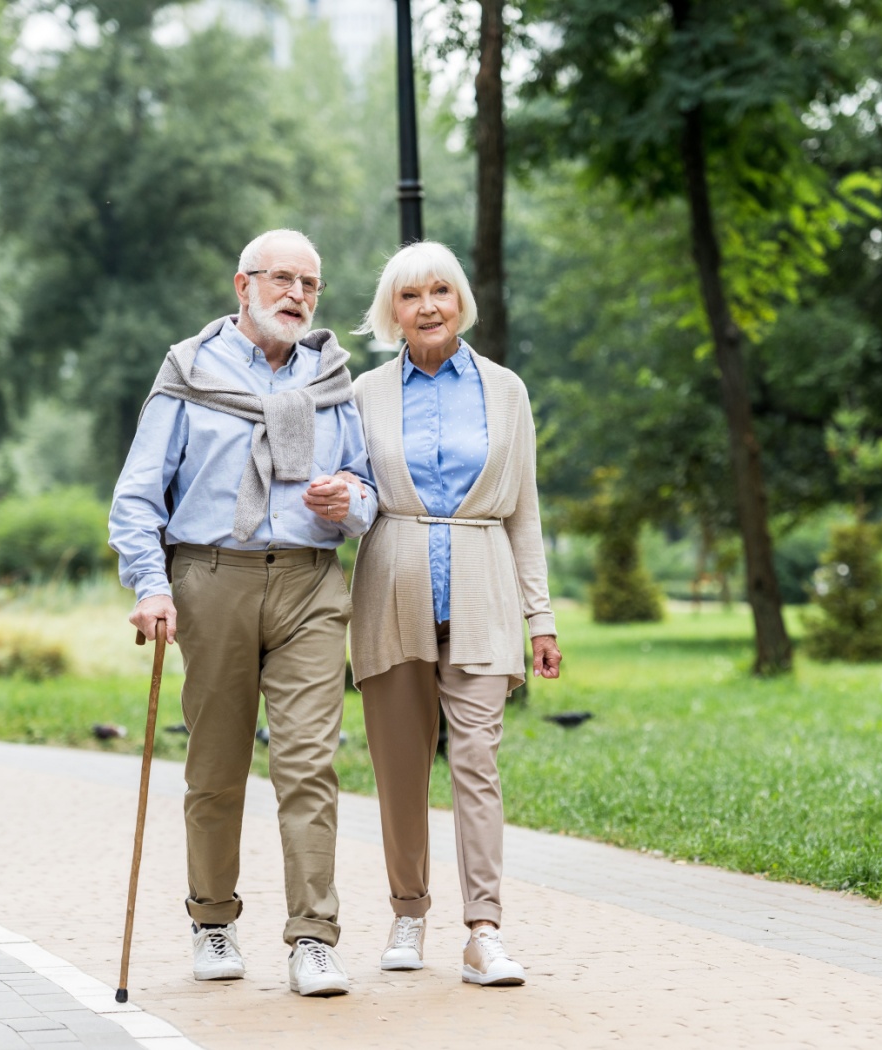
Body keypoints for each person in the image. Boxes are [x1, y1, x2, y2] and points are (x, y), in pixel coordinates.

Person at [108, 229, 374, 998]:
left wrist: (348, 500)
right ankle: (213, 920)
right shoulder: (190, 370)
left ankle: (314, 938)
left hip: (309, 583)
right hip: (209, 579)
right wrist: (149, 585)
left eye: (310, 284)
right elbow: (137, 494)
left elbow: (367, 489)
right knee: (217, 768)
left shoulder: (331, 377)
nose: (297, 295)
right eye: (282, 279)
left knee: (308, 766)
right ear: (242, 284)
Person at [346, 240, 561, 987]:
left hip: (484, 588)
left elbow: (524, 512)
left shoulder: (507, 391)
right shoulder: (364, 392)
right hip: (391, 589)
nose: (428, 306)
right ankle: (408, 912)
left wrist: (542, 618)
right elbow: (353, 490)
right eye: (411, 296)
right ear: (392, 312)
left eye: (440, 290)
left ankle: (484, 930)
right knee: (400, 767)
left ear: (461, 299)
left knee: (477, 763)